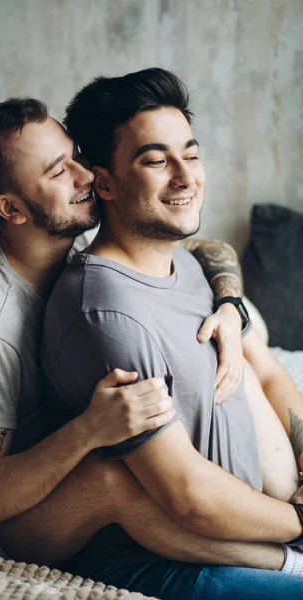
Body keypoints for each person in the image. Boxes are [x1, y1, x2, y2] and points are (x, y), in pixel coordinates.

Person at [0, 96, 298, 579]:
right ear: (10, 208)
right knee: (113, 478)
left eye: (75, 154)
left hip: (34, 462)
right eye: (59, 172)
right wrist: (88, 431)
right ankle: (286, 564)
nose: (86, 174)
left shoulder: (59, 230)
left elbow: (198, 243)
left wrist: (229, 303)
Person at [41, 69, 303, 597]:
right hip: (176, 560)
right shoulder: (106, 312)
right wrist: (298, 521)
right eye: (157, 161)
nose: (187, 176)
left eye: (191, 152)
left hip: (263, 530)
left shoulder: (181, 263)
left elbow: (267, 371)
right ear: (105, 183)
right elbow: (186, 497)